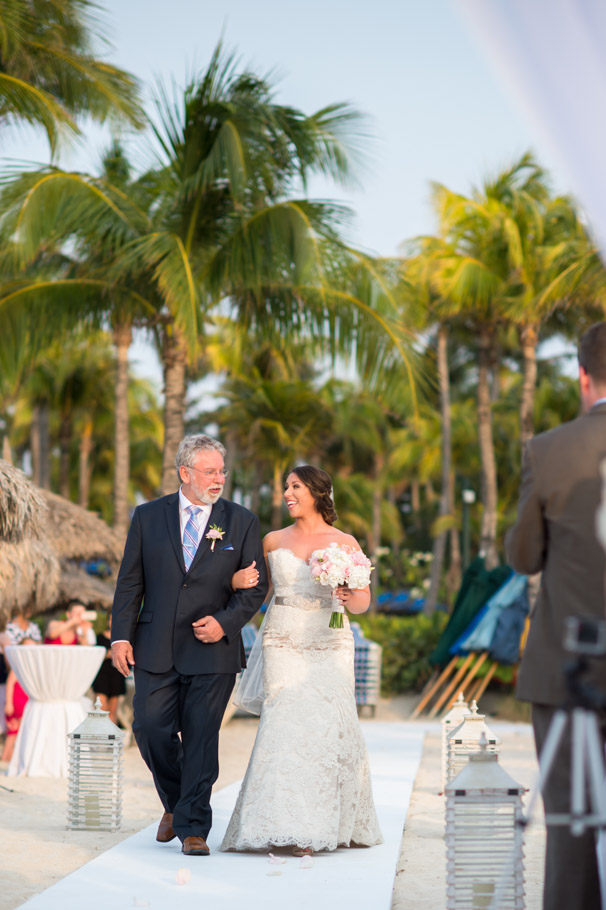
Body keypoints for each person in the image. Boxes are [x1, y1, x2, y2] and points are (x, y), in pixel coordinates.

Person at [111, 434, 267, 857]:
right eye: (210, 471)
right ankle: (177, 804)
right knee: (149, 728)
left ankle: (194, 827)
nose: (219, 479)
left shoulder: (242, 521)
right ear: (185, 473)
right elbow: (130, 581)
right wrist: (121, 635)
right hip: (154, 644)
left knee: (200, 737)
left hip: (212, 648)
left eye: (222, 471)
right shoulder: (146, 516)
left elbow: (256, 588)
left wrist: (225, 622)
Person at [221, 465, 383, 855]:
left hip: (330, 643)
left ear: (317, 491)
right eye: (285, 487)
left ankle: (322, 825)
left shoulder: (345, 542)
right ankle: (281, 824)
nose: (287, 494)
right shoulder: (272, 540)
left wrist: (347, 593)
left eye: (295, 486)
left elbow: (363, 602)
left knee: (327, 728)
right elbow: (256, 592)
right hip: (282, 639)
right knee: (284, 723)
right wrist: (232, 584)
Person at [506, 321, 606, 910]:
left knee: (571, 825)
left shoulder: (549, 449)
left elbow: (524, 556)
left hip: (569, 664)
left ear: (583, 376)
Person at [2, 637, 37, 763]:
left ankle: (10, 760)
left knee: (21, 732)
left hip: (26, 702)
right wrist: (9, 704)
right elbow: (10, 683)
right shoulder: (19, 665)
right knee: (12, 732)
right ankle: (5, 759)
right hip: (17, 702)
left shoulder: (33, 666)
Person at [91, 614, 125, 725]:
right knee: (101, 709)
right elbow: (93, 655)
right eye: (111, 619)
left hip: (116, 675)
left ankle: (112, 739)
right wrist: (106, 654)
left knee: (112, 710)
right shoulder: (99, 637)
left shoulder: (123, 639)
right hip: (102, 675)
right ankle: (100, 738)